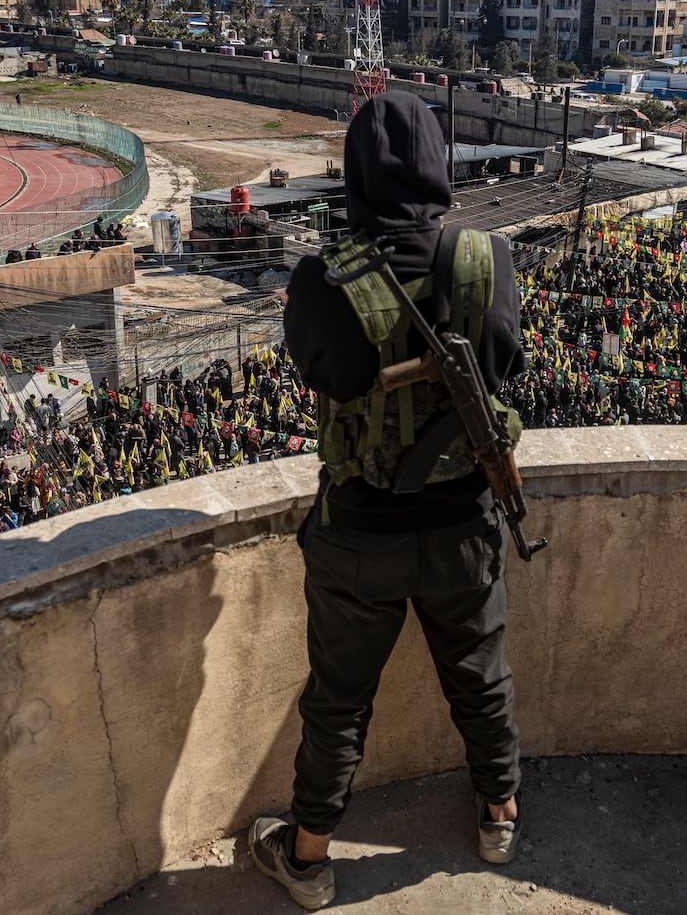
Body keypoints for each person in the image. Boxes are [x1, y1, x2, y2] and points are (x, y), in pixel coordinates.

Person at [249, 92, 526, 910]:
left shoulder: (324, 279)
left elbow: (319, 371)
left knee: (338, 702)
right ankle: (500, 815)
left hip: (358, 532)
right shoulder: (489, 259)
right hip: (463, 526)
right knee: (481, 676)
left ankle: (307, 857)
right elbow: (504, 365)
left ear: (358, 178)